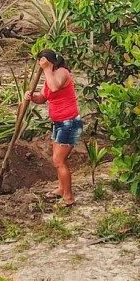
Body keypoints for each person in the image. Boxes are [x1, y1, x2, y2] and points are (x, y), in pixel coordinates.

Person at [31, 49, 81, 206]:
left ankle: (68, 197)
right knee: (59, 160)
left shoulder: (61, 72)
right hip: (58, 123)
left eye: (41, 61)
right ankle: (61, 189)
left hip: (69, 122)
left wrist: (46, 69)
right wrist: (32, 97)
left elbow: (54, 87)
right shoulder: (49, 77)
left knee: (58, 160)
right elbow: (42, 98)